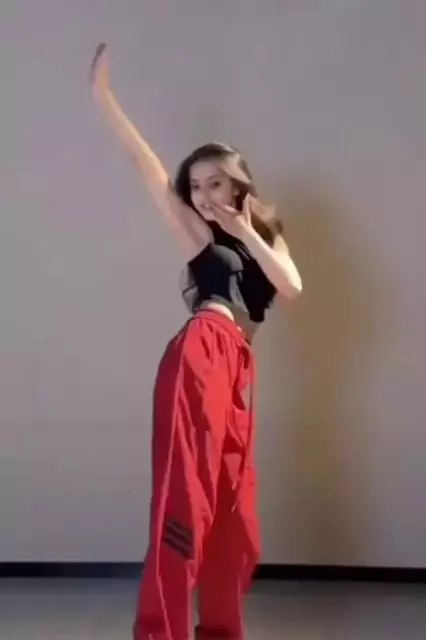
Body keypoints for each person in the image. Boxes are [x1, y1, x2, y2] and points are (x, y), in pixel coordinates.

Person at [90, 42, 302, 640]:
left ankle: (219, 631)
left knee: (235, 520)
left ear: (238, 186)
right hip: (201, 353)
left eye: (215, 183)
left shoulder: (267, 240)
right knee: (185, 501)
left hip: (237, 373)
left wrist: (246, 230)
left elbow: (290, 288)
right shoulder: (199, 240)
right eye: (197, 186)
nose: (204, 195)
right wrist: (104, 99)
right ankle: (161, 632)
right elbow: (148, 167)